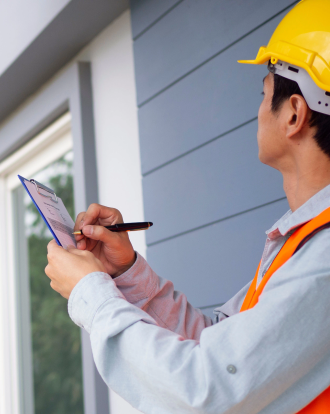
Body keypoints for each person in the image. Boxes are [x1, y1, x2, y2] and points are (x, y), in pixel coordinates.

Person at [44, 1, 330, 412]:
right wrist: (127, 273)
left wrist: (91, 295)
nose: (257, 111)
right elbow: (215, 345)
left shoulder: (323, 260)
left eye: (263, 94)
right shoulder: (302, 245)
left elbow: (205, 390)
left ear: (294, 114)